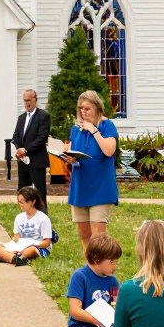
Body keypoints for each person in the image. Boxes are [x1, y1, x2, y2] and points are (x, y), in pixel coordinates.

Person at [65, 90, 119, 252]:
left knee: (98, 238)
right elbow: (74, 153)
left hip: (100, 188)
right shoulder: (76, 129)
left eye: (87, 109)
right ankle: (89, 271)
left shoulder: (107, 126)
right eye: (81, 108)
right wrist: (69, 159)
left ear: (97, 108)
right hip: (80, 187)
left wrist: (93, 130)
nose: (83, 112)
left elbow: (109, 151)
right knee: (84, 235)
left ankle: (101, 271)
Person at [67, 233, 122, 327]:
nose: (115, 266)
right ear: (97, 259)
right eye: (111, 262)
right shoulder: (80, 277)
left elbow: (117, 305)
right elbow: (75, 311)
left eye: (116, 261)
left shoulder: (112, 281)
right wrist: (96, 320)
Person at [0, 185, 56, 266]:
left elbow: (47, 243)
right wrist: (16, 242)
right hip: (21, 245)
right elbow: (16, 237)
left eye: (22, 202)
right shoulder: (19, 217)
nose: (20, 204)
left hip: (37, 247)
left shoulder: (43, 218)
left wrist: (32, 243)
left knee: (29, 251)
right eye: (19, 202)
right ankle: (15, 259)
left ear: (33, 201)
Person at [11, 89, 51, 205]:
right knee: (23, 190)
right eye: (24, 101)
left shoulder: (43, 116)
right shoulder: (21, 118)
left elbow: (42, 138)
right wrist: (19, 149)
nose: (26, 103)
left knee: (39, 191)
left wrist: (26, 150)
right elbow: (16, 136)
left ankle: (43, 214)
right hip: (23, 161)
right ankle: (25, 214)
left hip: (37, 160)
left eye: (29, 100)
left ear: (35, 100)